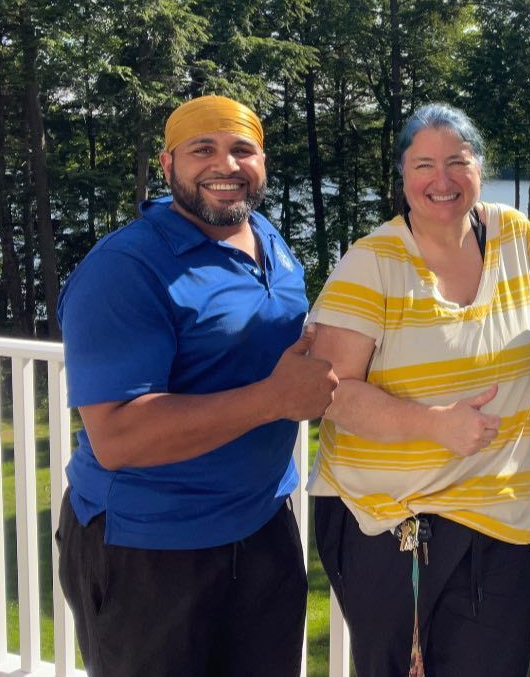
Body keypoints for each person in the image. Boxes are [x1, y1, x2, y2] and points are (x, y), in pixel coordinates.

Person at [56, 94, 339, 677]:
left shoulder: (266, 238)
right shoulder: (126, 268)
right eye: (202, 150)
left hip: (262, 526)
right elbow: (118, 437)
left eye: (242, 150)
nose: (225, 166)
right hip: (149, 546)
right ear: (168, 165)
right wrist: (274, 400)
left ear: (262, 162)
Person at [306, 103, 530, 677]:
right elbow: (329, 391)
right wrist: (433, 424)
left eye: (457, 162)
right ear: (402, 176)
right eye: (423, 164)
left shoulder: (514, 237)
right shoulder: (372, 261)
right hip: (391, 525)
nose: (441, 180)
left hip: (500, 517)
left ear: (480, 168)